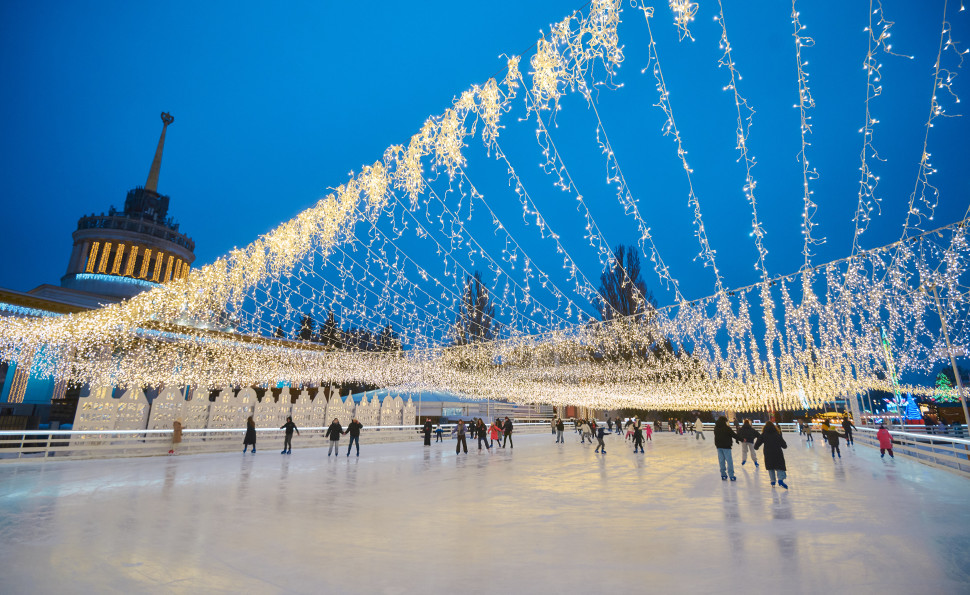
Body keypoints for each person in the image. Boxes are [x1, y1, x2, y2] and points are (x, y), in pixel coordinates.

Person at [754, 421, 788, 489]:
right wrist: (784, 445)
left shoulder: (764, 434)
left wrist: (756, 447)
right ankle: (780, 479)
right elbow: (784, 445)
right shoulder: (777, 434)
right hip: (777, 452)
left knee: (770, 467)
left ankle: (772, 481)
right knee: (780, 466)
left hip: (768, 453)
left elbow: (757, 444)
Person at [713, 416, 739, 481]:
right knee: (729, 461)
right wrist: (741, 439)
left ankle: (723, 475)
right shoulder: (727, 428)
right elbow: (734, 435)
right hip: (726, 446)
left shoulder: (716, 428)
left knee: (721, 461)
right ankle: (731, 475)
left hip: (719, 446)